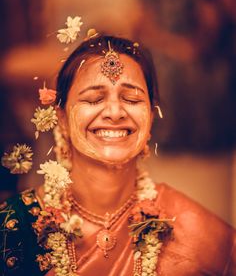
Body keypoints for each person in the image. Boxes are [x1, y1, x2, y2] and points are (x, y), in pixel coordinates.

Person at [0, 34, 235, 276]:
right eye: (93, 99)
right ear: (62, 119)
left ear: (151, 117)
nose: (114, 112)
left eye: (132, 99)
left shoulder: (188, 225)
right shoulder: (16, 227)